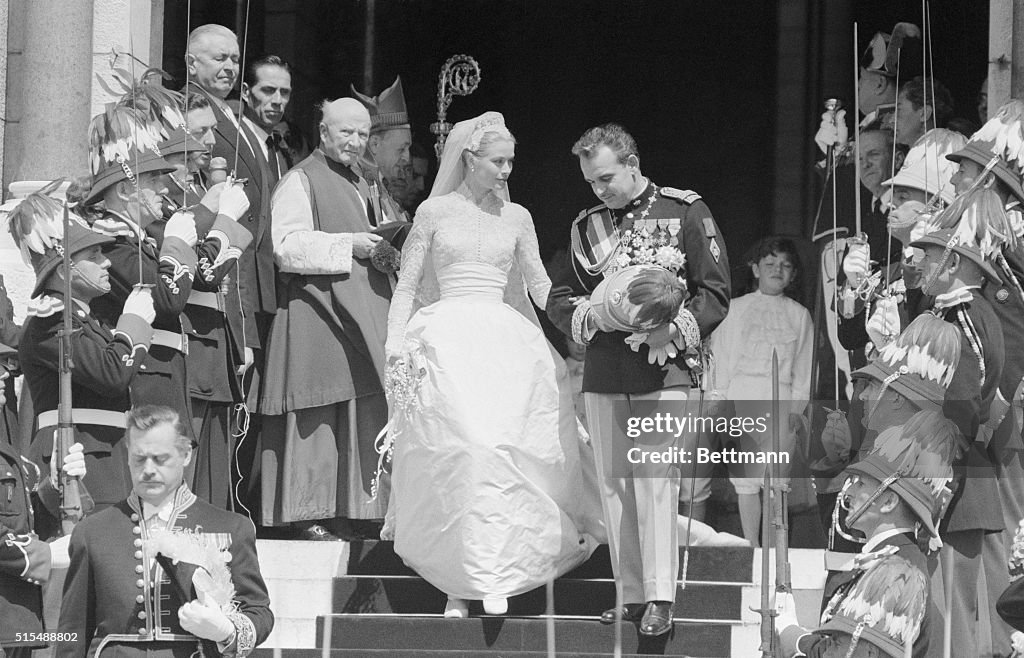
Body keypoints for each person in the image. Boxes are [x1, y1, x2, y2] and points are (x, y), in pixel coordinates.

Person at [384, 111, 595, 618]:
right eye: (498, 162)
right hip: (446, 339)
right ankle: (459, 581)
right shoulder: (434, 213)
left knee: (502, 452)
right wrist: (395, 344)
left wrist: (584, 314)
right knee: (460, 451)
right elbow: (408, 285)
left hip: (504, 343)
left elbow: (539, 287)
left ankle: (496, 572)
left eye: (511, 162)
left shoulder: (517, 217)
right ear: (469, 159)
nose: (506, 171)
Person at [547, 123, 730, 636]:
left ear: (632, 163)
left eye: (606, 178)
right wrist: (593, 317)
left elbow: (714, 292)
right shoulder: (587, 227)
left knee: (654, 482)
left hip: (665, 370)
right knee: (614, 487)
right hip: (606, 370)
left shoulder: (685, 210)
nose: (599, 190)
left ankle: (660, 597)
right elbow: (561, 297)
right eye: (591, 182)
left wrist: (671, 331)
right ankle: (628, 594)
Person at [260, 98, 391, 539]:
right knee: (317, 407)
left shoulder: (364, 180)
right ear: (324, 131)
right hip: (316, 310)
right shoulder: (302, 179)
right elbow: (286, 246)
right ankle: (308, 513)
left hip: (360, 312)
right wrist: (348, 244)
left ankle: (358, 511)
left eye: (362, 134)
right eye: (346, 133)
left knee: (361, 407)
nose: (355, 142)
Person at [57, 405, 273, 657]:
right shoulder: (92, 532)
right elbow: (72, 631)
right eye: (139, 458)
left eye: (161, 458)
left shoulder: (231, 527)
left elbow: (259, 612)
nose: (148, 469)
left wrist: (227, 631)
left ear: (186, 455)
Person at [13, 186, 157, 515]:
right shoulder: (50, 324)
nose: (106, 262)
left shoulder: (87, 320)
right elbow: (111, 375)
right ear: (66, 270)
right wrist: (134, 322)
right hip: (79, 459)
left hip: (108, 455)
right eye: (93, 256)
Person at [708, 237, 812, 544]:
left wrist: (797, 410)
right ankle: (753, 547)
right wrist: (719, 400)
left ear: (793, 274)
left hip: (780, 399)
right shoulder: (735, 310)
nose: (777, 271)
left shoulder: (799, 315)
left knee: (777, 478)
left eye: (785, 266)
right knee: (746, 478)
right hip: (743, 395)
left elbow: (803, 369)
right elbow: (722, 359)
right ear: (755, 269)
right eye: (769, 264)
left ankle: (775, 549)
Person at [185, 24, 275, 379]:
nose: (230, 67)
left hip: (251, 281)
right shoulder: (190, 113)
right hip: (224, 277)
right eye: (219, 57)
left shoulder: (232, 114)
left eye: (235, 59)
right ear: (192, 64)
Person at [0, 341, 86, 657]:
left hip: (17, 625)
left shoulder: (9, 456)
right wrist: (47, 557)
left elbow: (22, 517)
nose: (4, 376)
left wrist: (57, 483)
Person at [776, 554, 929, 658]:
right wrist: (785, 628)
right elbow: (816, 647)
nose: (827, 653)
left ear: (871, 653)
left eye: (836, 642)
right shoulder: (856, 650)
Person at [352, 76, 413, 222]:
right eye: (401, 149)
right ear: (374, 144)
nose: (407, 157)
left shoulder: (382, 185)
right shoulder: (354, 184)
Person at [241, 55, 293, 186]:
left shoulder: (282, 151)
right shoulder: (233, 141)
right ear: (245, 92)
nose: (277, 101)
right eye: (268, 90)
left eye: (284, 92)